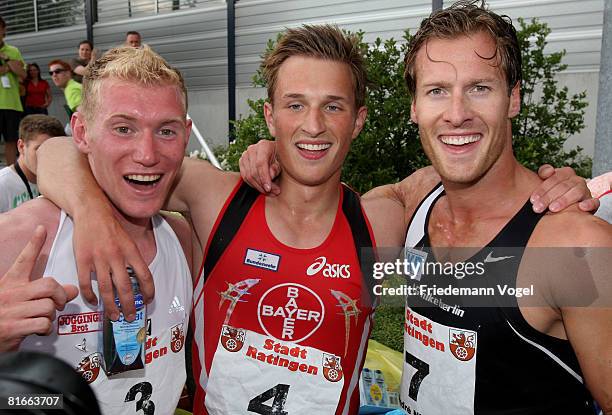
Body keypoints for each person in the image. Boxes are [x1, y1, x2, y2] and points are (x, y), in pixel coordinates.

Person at [35, 25, 595, 415]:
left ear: (358, 122)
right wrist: (90, 212)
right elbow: (51, 153)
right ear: (269, 114)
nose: (313, 126)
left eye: (333, 106)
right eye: (295, 105)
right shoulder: (215, 198)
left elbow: (477, 183)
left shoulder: (384, 220)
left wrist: (556, 185)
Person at [394, 1, 610, 413]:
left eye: (480, 88)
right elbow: (317, 202)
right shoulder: (413, 200)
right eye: (437, 90)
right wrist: (275, 159)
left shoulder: (575, 244)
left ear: (513, 99)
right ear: (415, 108)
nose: (457, 114)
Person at [0, 46, 193, 415]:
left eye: (166, 130)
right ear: (82, 132)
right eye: (123, 128)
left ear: (185, 135)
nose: (147, 154)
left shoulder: (182, 239)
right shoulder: (22, 239)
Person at [0, 114, 63, 212]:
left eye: (53, 150)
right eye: (39, 149)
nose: (46, 157)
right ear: (21, 147)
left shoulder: (57, 180)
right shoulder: (2, 184)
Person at [0, 15, 26, 166]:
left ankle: (11, 173)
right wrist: (9, 67)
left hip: (12, 104)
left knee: (11, 141)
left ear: (4, 30)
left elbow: (22, 73)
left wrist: (6, 60)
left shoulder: (13, 51)